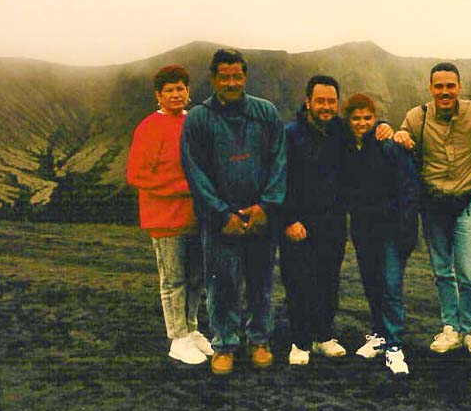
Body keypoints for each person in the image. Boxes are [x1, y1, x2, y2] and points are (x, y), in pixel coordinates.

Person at [180, 49, 287, 376]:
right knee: (222, 283)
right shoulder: (199, 118)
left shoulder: (265, 113)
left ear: (245, 77)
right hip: (220, 222)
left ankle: (259, 339)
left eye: (237, 76)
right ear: (213, 79)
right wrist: (221, 214)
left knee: (260, 282)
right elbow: (194, 170)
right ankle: (224, 343)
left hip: (260, 218)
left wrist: (266, 206)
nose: (231, 82)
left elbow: (279, 161)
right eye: (224, 77)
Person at [393, 62, 471, 357]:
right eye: (439, 86)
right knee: (442, 271)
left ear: (459, 87)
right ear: (431, 88)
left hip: (466, 201)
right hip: (432, 204)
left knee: (469, 272)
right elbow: (401, 136)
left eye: (450, 86)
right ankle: (451, 328)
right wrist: (399, 135)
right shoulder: (417, 117)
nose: (445, 92)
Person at [279, 76, 394, 366]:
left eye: (331, 101)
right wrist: (289, 219)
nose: (326, 107)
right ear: (308, 102)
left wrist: (384, 126)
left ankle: (323, 335)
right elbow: (279, 179)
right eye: (320, 101)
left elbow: (365, 129)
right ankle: (300, 341)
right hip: (298, 222)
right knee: (298, 281)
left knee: (328, 279)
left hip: (332, 221)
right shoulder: (291, 134)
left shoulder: (340, 131)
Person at [127, 64, 212, 365]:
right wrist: (186, 187)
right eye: (169, 90)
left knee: (196, 278)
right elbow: (137, 174)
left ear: (188, 91)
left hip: (196, 217)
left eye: (180, 88)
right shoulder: (149, 127)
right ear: (158, 95)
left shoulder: (195, 122)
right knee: (174, 280)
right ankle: (177, 338)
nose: (176, 94)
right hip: (165, 219)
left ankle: (191, 328)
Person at [342, 93, 420, 376]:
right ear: (348, 121)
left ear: (375, 118)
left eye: (367, 117)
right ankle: (379, 334)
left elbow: (408, 188)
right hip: (364, 229)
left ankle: (394, 345)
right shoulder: (348, 148)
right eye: (356, 118)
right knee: (372, 283)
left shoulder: (389, 145)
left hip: (392, 229)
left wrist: (406, 228)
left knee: (390, 286)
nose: (362, 123)